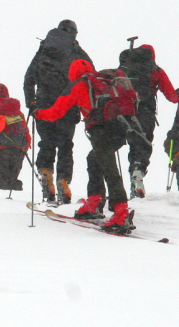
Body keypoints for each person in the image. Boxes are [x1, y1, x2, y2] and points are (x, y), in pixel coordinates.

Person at [34, 59, 137, 233]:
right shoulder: (105, 82)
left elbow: (56, 113)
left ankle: (120, 212)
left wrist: (38, 113)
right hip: (122, 126)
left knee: (108, 168)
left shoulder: (79, 85)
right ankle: (94, 202)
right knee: (95, 159)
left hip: (101, 129)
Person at [23, 19, 94, 203]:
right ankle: (63, 181)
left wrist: (31, 103)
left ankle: (46, 174)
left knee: (46, 142)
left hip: (43, 104)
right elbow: (90, 78)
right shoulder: (78, 52)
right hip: (68, 104)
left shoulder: (44, 49)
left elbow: (29, 77)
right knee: (65, 144)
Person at [118, 44, 179, 198]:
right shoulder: (155, 69)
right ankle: (138, 173)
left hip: (124, 111)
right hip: (145, 111)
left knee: (130, 143)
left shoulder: (125, 66)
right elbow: (172, 97)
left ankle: (120, 181)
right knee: (143, 143)